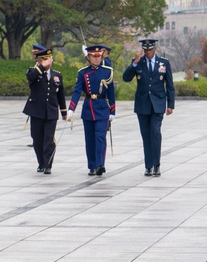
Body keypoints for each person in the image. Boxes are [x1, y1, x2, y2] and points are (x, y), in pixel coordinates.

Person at [122, 39, 175, 177]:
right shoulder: (138, 62)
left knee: (155, 133)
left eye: (150, 50)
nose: (148, 52)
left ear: (155, 49)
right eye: (145, 50)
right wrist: (134, 63)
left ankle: (156, 164)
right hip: (142, 105)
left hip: (158, 104)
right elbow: (126, 78)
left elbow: (169, 85)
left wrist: (170, 105)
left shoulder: (164, 63)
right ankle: (148, 166)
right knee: (146, 136)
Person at [67, 44, 116, 177]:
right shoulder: (82, 73)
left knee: (100, 137)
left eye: (99, 56)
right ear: (88, 57)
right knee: (90, 139)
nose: (97, 59)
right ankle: (92, 165)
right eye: (94, 57)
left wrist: (112, 111)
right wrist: (71, 109)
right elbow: (77, 92)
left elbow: (111, 93)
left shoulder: (107, 71)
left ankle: (100, 164)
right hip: (88, 107)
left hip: (102, 108)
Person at [23, 45, 67, 175]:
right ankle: (41, 162)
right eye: (44, 59)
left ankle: (48, 164)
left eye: (49, 59)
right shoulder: (33, 71)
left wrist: (64, 112)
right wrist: (41, 67)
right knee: (37, 138)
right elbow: (31, 78)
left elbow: (61, 94)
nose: (48, 62)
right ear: (38, 60)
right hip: (36, 111)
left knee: (49, 139)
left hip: (51, 111)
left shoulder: (57, 75)